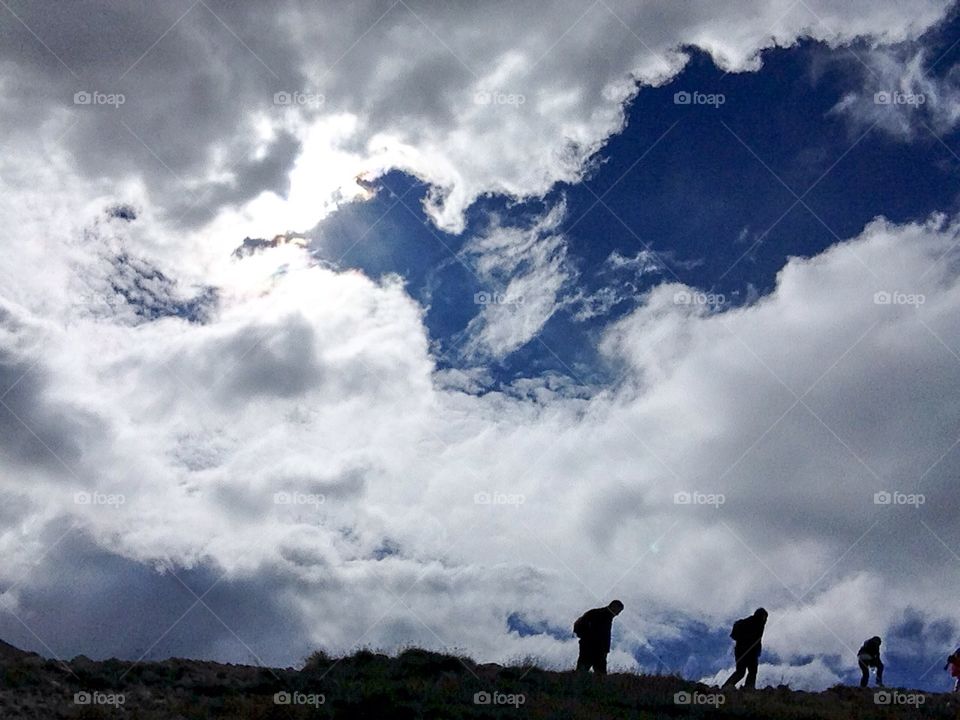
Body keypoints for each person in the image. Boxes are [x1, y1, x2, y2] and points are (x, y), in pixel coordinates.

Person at [573, 600, 623, 675]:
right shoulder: (600, 614)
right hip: (593, 647)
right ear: (613, 606)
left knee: (584, 671)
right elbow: (605, 635)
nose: (617, 614)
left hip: (593, 647)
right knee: (597, 673)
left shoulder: (598, 613)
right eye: (618, 611)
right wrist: (605, 649)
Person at [722, 607, 768, 689]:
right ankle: (729, 687)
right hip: (746, 652)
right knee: (744, 672)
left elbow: (757, 640)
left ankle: (744, 688)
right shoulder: (754, 624)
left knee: (746, 672)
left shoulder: (757, 624)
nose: (766, 620)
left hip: (745, 652)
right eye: (765, 617)